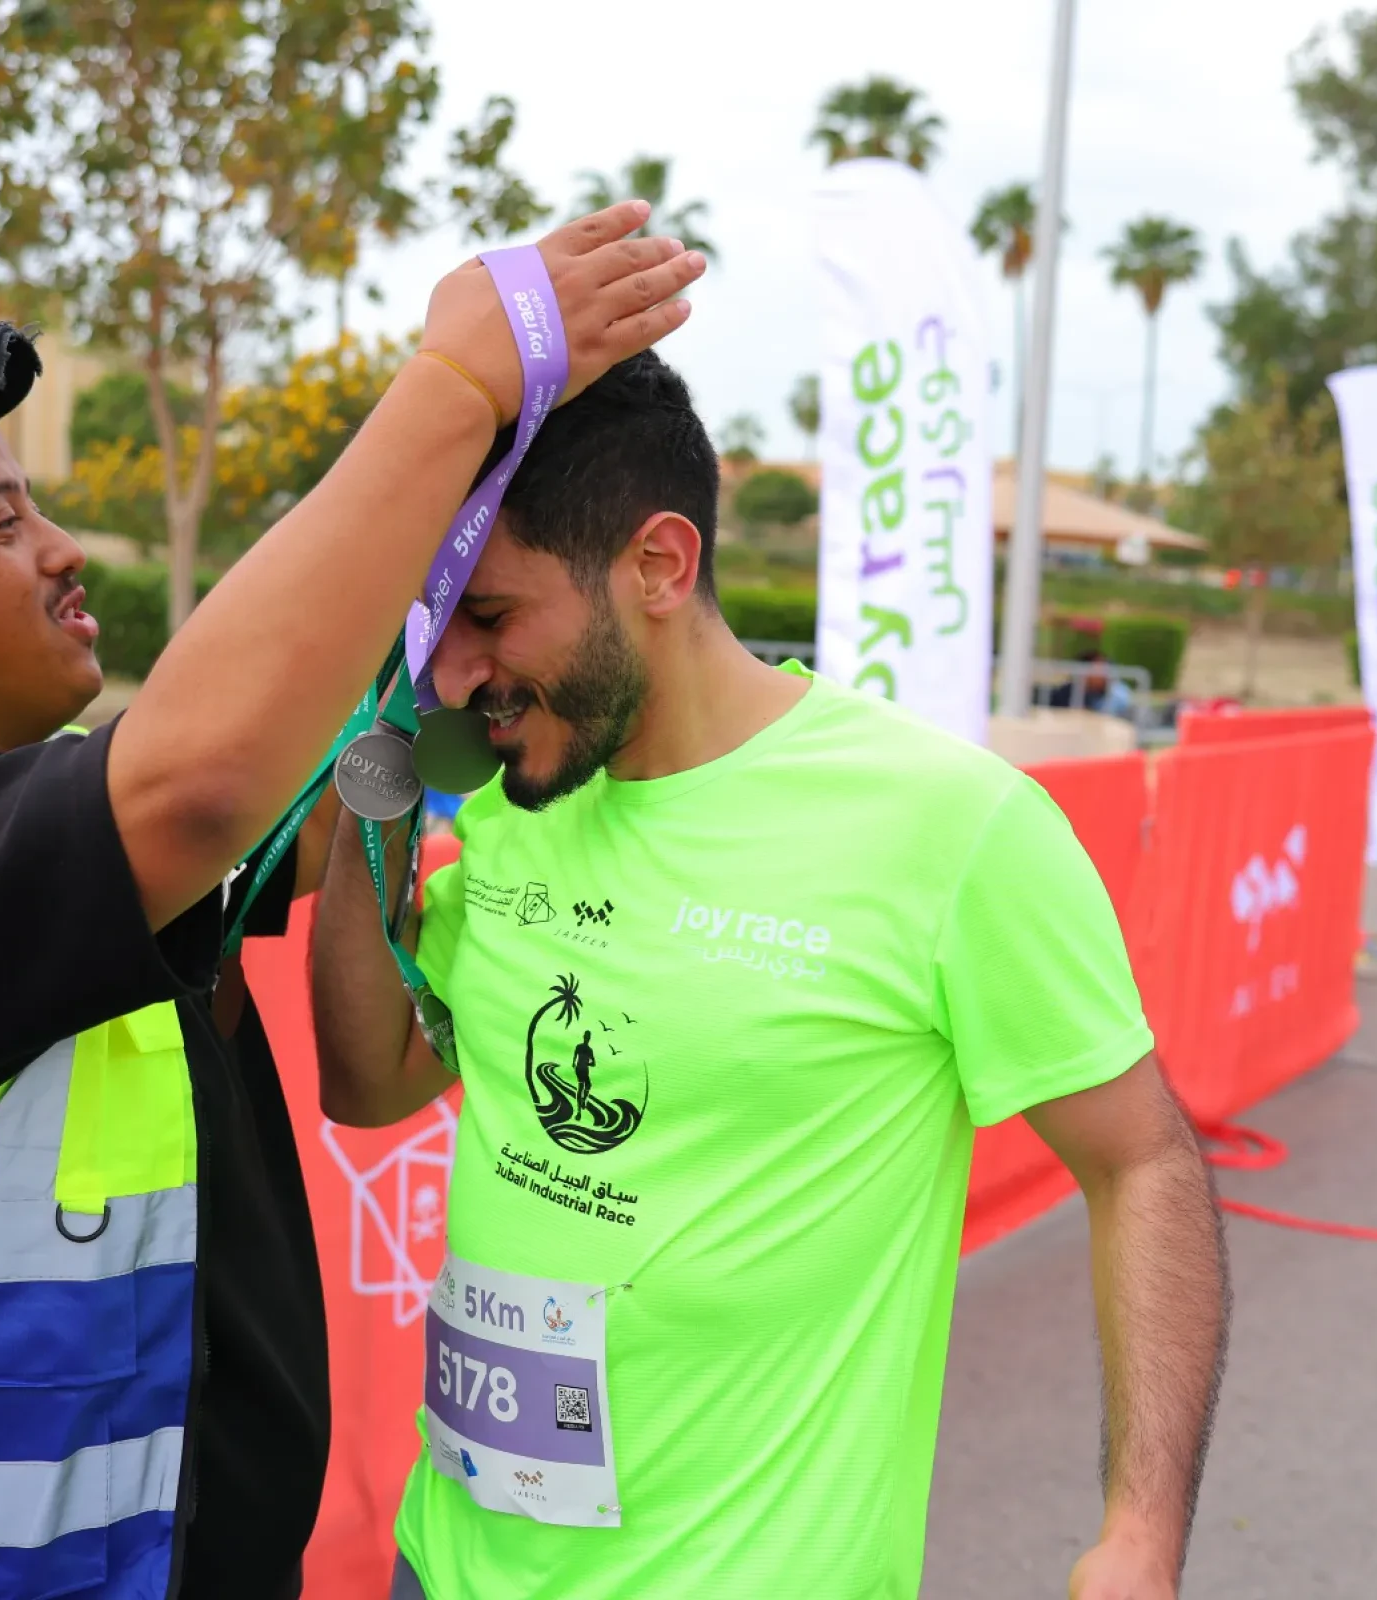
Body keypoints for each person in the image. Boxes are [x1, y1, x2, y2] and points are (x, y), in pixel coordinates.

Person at [0, 206, 703, 1598]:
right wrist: (457, 383)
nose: (64, 550)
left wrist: (474, 687)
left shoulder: (16, 831)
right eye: (2, 522)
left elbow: (313, 802)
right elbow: (202, 783)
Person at [311, 353, 1230, 1600]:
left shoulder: (949, 825)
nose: (461, 673)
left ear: (657, 564)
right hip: (447, 1564)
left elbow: (1141, 1162)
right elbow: (369, 1082)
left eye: (491, 616)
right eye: (437, 625)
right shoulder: (525, 788)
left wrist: (1140, 1531)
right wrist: (379, 777)